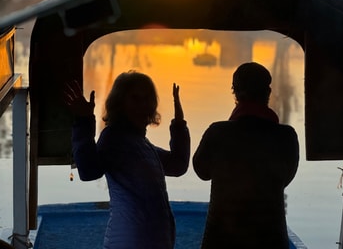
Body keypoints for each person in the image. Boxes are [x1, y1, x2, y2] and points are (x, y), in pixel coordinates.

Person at [64, 71, 190, 249]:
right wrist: (84, 120)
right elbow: (88, 170)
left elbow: (177, 165)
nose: (143, 104)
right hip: (130, 240)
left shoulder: (142, 145)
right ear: (120, 103)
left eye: (147, 98)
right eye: (135, 98)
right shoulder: (115, 138)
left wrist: (179, 122)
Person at [192, 62, 299, 249]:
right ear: (268, 92)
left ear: (235, 92)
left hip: (222, 241)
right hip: (271, 241)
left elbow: (202, 172)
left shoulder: (218, 132)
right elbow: (285, 179)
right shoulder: (286, 136)